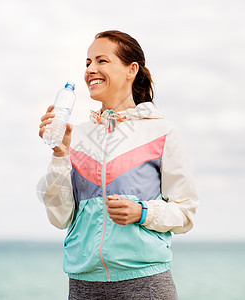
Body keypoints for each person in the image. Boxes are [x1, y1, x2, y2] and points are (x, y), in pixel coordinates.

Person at [38, 30, 198, 300]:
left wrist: (142, 212)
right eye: (88, 63)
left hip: (145, 283)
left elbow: (185, 213)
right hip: (83, 283)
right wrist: (60, 153)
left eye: (102, 61)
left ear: (131, 69)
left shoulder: (162, 131)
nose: (91, 69)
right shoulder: (75, 136)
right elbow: (60, 217)